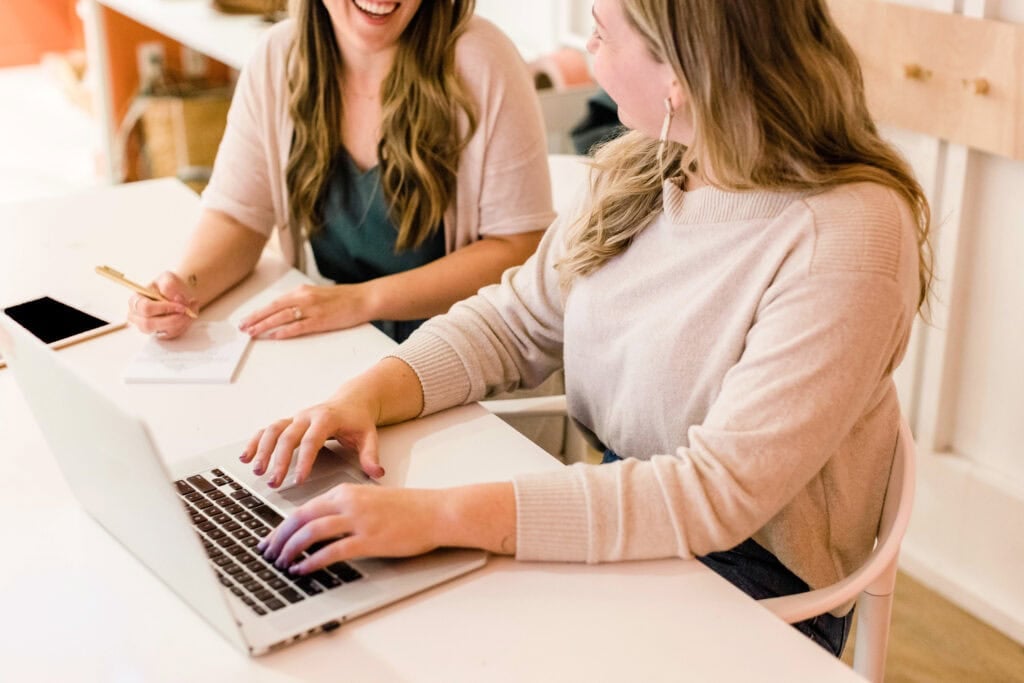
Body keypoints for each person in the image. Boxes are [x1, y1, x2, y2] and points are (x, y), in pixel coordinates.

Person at [242, 0, 932, 657]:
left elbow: (714, 495)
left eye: (600, 32)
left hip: (753, 594)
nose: (587, 54)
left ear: (684, 72)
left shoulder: (849, 236)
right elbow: (512, 322)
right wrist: (365, 396)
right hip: (627, 515)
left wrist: (437, 516)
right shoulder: (651, 162)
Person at [127, 0, 554, 344]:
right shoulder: (277, 58)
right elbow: (238, 217)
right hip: (344, 339)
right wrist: (185, 285)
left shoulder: (481, 59)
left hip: (457, 350)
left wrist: (362, 301)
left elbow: (519, 246)